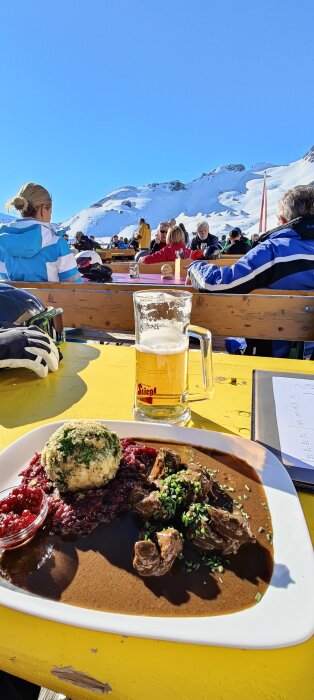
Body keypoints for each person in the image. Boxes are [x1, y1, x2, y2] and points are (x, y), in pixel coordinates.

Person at [186, 185, 314, 357]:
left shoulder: (274, 251)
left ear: (283, 221)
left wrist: (195, 267)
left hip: (272, 358)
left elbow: (220, 283)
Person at [0, 183, 81, 283]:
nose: (50, 217)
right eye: (51, 212)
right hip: (50, 299)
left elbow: (3, 283)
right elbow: (75, 287)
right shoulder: (57, 244)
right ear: (43, 209)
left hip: (13, 299)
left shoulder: (3, 243)